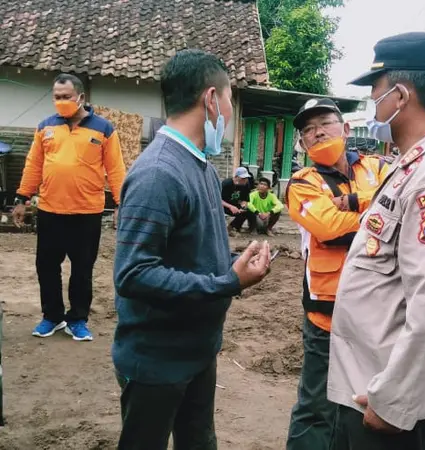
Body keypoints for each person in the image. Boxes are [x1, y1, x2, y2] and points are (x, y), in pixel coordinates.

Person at [327, 32, 425, 450]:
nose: (371, 105)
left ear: (400, 95)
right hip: (370, 386)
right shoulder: (411, 167)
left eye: (375, 92)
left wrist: (393, 402)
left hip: (393, 413)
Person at [112, 49, 271, 450]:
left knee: (198, 439)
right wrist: (227, 281)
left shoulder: (198, 164)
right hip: (157, 359)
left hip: (197, 348)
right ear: (211, 100)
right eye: (231, 99)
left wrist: (231, 266)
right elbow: (133, 274)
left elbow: (188, 247)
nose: (231, 111)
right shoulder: (158, 173)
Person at [284, 97, 389, 450]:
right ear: (302, 143)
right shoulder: (302, 183)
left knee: (362, 406)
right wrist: (381, 216)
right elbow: (329, 228)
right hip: (326, 316)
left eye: (324, 124)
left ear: (345, 128)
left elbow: (406, 199)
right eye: (308, 130)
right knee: (316, 408)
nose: (317, 133)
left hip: (377, 312)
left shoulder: (377, 166)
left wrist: (357, 201)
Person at [12, 73, 126, 342]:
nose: (61, 102)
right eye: (57, 97)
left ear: (81, 98)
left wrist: (122, 203)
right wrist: (22, 198)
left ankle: (77, 319)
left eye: (66, 97)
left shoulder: (104, 129)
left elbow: (116, 169)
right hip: (51, 211)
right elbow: (33, 165)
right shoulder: (45, 127)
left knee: (82, 269)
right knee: (47, 267)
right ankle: (52, 316)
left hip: (87, 213)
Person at [221, 166, 258, 234]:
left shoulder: (246, 184)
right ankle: (231, 228)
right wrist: (230, 207)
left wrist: (243, 206)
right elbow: (218, 200)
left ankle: (233, 227)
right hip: (224, 205)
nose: (245, 180)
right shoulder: (227, 184)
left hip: (235, 204)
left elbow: (245, 199)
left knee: (247, 211)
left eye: (246, 178)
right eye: (243, 178)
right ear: (236, 177)